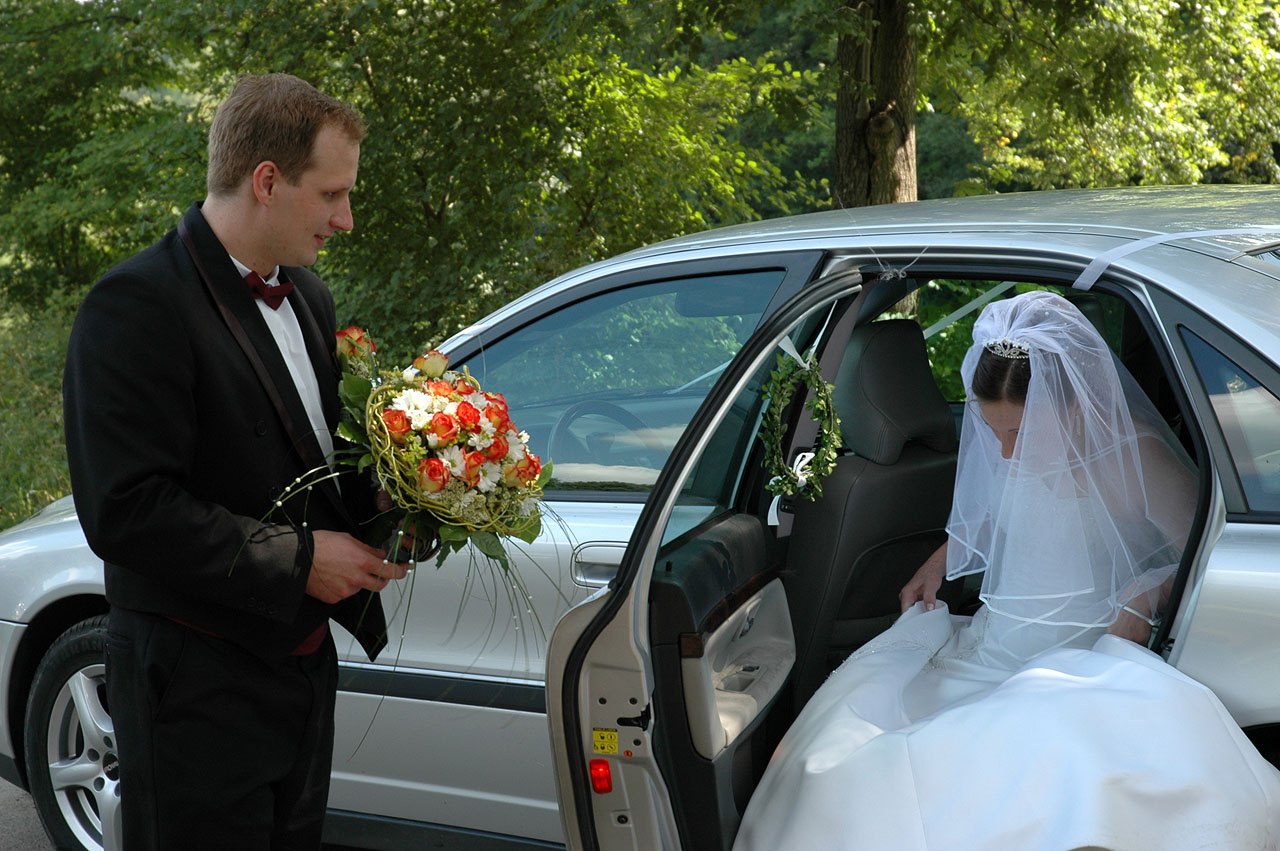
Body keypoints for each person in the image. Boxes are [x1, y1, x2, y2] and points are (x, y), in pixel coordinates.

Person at [734, 291, 1280, 850]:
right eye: (992, 431)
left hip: (1072, 660)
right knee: (844, 753)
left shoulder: (1133, 458)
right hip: (994, 644)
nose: (1003, 451)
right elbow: (1000, 516)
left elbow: (1204, 557)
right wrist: (939, 560)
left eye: (1016, 433)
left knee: (958, 776)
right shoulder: (1011, 448)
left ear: (1067, 404)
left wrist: (1140, 601)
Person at [63, 73, 408, 849]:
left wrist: (396, 495)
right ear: (266, 181)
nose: (345, 219)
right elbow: (126, 509)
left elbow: (310, 459)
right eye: (331, 194)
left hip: (302, 672)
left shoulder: (310, 297)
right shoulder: (134, 305)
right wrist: (300, 562)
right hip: (193, 684)